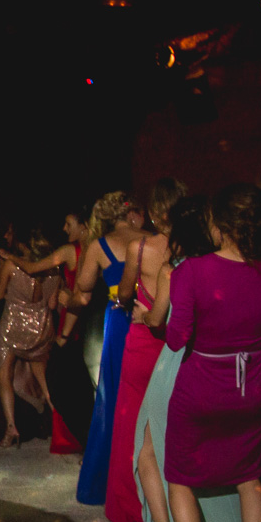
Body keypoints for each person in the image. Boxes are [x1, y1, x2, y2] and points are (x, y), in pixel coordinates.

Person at [152, 185, 261, 522]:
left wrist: (158, 312)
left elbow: (176, 340)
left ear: (220, 223)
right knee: (250, 477)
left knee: (179, 480)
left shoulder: (193, 271)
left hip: (202, 388)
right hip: (252, 387)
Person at [125, 196, 251, 522]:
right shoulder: (233, 266)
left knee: (149, 444)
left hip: (177, 361)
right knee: (218, 457)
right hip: (227, 365)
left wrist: (143, 315)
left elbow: (162, 321)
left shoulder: (174, 269)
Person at [101, 179, 184, 522]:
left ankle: (135, 506)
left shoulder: (140, 247)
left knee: (131, 420)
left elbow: (122, 293)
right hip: (179, 344)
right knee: (173, 425)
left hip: (144, 340)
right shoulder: (196, 249)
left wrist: (125, 300)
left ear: (152, 212)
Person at [69, 192, 149, 504]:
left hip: (121, 321)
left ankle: (118, 477)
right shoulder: (154, 240)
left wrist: (68, 298)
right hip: (153, 316)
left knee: (116, 398)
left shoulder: (99, 246)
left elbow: (84, 292)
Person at [0, 230, 61, 446]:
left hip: (13, 327)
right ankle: (60, 422)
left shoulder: (12, 266)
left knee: (4, 376)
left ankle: (11, 427)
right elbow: (53, 304)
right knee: (44, 381)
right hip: (41, 328)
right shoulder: (54, 270)